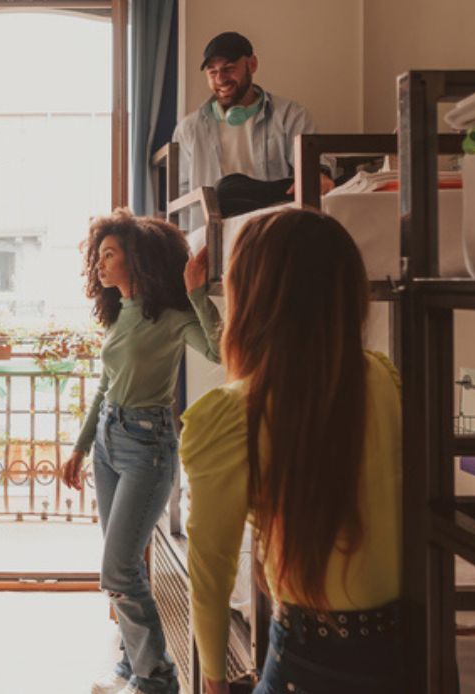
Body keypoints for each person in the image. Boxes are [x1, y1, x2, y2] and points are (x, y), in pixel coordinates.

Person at [179, 208, 403, 694]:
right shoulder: (383, 379)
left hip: (310, 656)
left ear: (252, 300)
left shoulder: (233, 412)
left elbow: (210, 571)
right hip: (403, 651)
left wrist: (214, 680)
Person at [61, 210, 221, 694]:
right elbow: (106, 386)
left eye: (110, 254)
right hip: (111, 441)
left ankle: (157, 680)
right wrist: (80, 447)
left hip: (147, 447)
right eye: (99, 255)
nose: (101, 264)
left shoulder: (173, 317)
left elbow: (220, 351)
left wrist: (197, 294)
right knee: (123, 567)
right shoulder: (120, 313)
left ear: (138, 257)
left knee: (118, 569)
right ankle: (133, 668)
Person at [171, 31, 335, 223]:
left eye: (229, 68)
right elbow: (181, 194)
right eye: (212, 72)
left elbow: (314, 161)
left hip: (275, 226)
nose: (220, 79)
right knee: (225, 190)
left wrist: (319, 175)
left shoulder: (290, 115)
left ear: (252, 64)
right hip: (214, 228)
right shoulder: (189, 129)